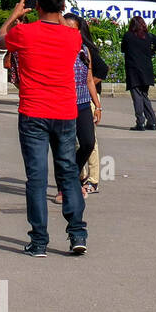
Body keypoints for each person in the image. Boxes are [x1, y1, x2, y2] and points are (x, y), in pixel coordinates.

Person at [0, 0, 88, 257]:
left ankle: (39, 241)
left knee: (36, 178)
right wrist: (57, 11)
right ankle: (76, 234)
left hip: (33, 112)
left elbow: (0, 39)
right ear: (62, 7)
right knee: (69, 173)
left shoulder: (23, 33)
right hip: (64, 112)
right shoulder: (72, 37)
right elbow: (62, 24)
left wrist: (14, 15)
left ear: (36, 5)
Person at [59, 13, 104, 203]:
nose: (69, 31)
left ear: (79, 31)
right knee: (65, 147)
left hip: (84, 103)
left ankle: (73, 175)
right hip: (63, 103)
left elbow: (89, 78)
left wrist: (98, 106)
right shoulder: (58, 49)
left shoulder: (84, 50)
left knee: (88, 143)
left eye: (73, 28)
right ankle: (65, 188)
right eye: (66, 27)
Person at [121, 14, 156, 130]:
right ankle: (152, 122)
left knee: (137, 97)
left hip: (133, 70)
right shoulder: (148, 36)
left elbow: (123, 49)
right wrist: (152, 50)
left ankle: (140, 122)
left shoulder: (128, 36)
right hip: (146, 70)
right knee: (144, 95)